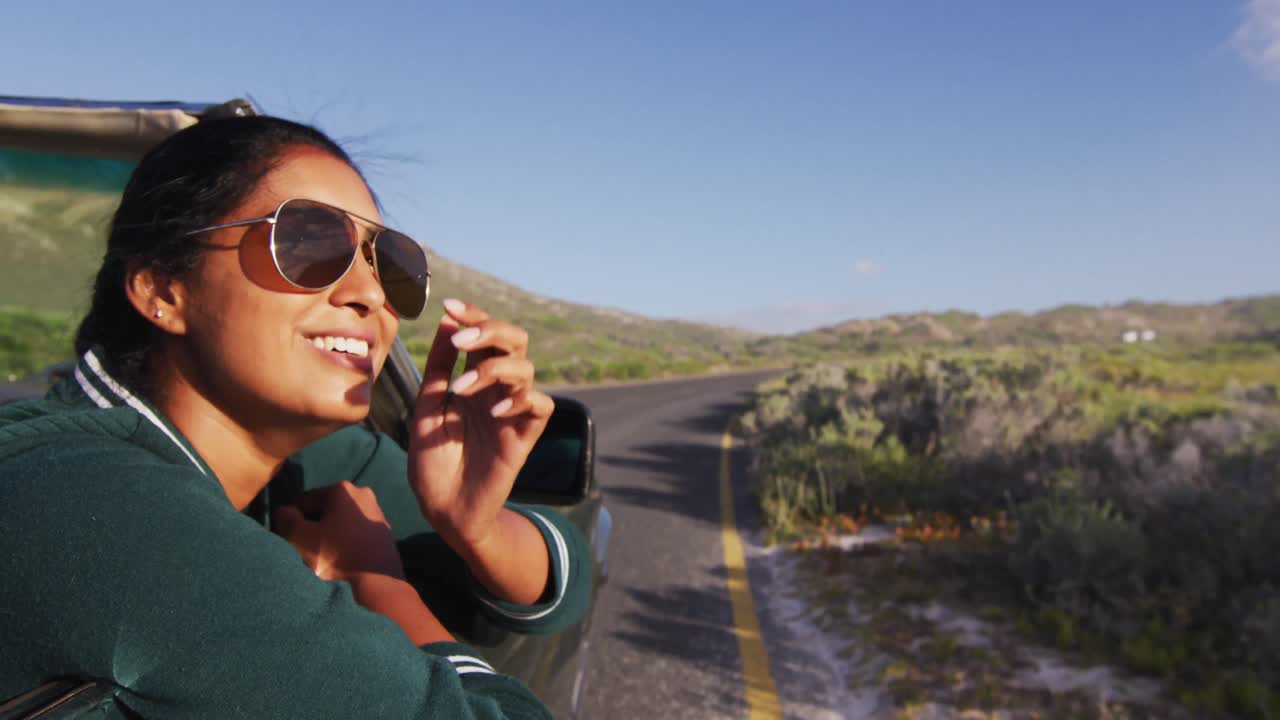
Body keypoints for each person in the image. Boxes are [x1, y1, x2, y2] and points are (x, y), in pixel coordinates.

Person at [0, 115, 590, 719]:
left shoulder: (305, 460)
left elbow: (563, 579)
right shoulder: (95, 501)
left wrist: (476, 527)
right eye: (309, 242)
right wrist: (375, 578)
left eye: (386, 264)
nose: (371, 293)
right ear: (163, 289)